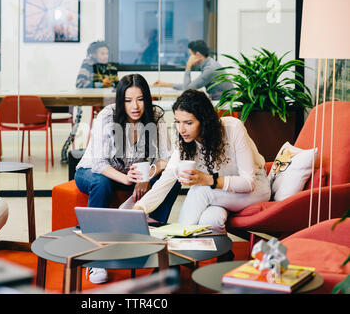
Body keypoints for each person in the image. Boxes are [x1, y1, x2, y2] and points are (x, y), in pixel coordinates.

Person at [74, 74, 181, 284]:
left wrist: (147, 177)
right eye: (128, 100)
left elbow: (166, 158)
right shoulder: (107, 116)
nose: (135, 106)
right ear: (120, 100)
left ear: (147, 99)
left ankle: (151, 236)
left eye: (140, 99)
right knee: (100, 182)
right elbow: (98, 164)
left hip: (133, 175)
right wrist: (126, 180)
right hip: (94, 172)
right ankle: (95, 256)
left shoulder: (156, 115)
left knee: (174, 180)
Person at [132, 89, 271, 233]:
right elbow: (165, 182)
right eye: (178, 122)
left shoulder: (232, 128)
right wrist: (139, 208)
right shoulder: (184, 144)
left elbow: (249, 182)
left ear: (204, 120)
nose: (181, 129)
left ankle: (179, 241)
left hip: (255, 190)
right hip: (220, 193)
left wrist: (209, 180)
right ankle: (221, 254)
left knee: (199, 191)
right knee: (210, 220)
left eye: (188, 123)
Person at [152, 40, 233, 99]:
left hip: (225, 105)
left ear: (197, 55)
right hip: (220, 101)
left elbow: (187, 89)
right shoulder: (209, 64)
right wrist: (166, 84)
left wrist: (188, 66)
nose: (189, 58)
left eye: (190, 55)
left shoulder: (210, 69)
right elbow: (190, 86)